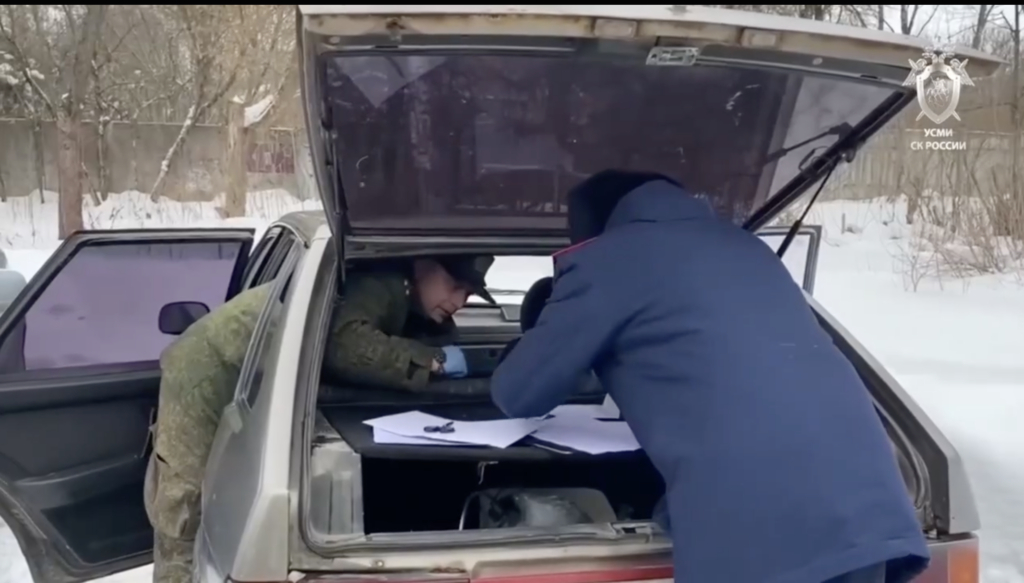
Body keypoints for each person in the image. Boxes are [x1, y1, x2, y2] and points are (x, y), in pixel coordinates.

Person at [490, 170, 929, 583]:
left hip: (764, 528)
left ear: (588, 232)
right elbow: (732, 368)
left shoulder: (609, 260)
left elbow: (518, 393)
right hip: (869, 505)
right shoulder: (746, 248)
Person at [145, 254, 494, 583]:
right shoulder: (378, 281)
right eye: (455, 286)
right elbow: (343, 345)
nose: (459, 302)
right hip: (210, 369)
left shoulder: (417, 308)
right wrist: (435, 360)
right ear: (422, 264)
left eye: (468, 293)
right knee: (183, 508)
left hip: (268, 380)